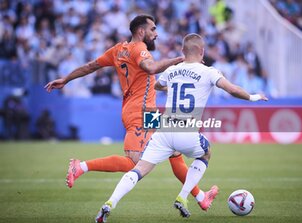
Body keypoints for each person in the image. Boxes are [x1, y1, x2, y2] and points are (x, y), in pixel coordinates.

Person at [45, 15, 218, 211]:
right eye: (152, 29)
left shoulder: (118, 50)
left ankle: (200, 196)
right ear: (141, 31)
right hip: (140, 112)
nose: (156, 33)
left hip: (143, 110)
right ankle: (82, 166)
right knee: (132, 164)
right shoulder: (139, 49)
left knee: (174, 152)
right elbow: (151, 68)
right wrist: (180, 60)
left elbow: (90, 66)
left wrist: (66, 79)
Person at [95, 33, 268, 223]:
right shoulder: (209, 72)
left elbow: (158, 86)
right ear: (202, 52)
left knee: (139, 169)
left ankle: (110, 203)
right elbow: (232, 89)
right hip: (187, 132)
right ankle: (183, 196)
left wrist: (173, 87)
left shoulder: (173, 70)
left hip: (164, 132)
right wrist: (254, 97)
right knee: (206, 152)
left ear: (182, 51)